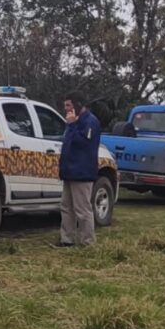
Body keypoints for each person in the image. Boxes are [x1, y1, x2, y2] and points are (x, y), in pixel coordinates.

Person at [58, 91, 101, 247]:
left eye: (69, 105)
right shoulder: (72, 122)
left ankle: (87, 242)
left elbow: (82, 143)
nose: (66, 109)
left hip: (82, 172)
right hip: (69, 170)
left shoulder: (90, 122)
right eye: (65, 106)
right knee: (66, 207)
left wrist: (72, 125)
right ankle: (67, 239)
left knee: (82, 209)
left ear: (78, 105)